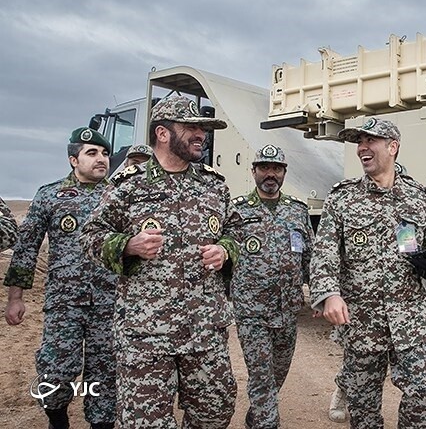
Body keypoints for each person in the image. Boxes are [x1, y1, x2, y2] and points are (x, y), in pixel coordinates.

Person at [80, 95, 241, 428]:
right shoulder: (129, 187)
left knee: (216, 411)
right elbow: (90, 236)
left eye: (203, 129)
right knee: (144, 422)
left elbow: (236, 232)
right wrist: (128, 245)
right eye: (192, 128)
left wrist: (225, 250)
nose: (201, 135)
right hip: (145, 334)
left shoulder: (215, 187)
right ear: (163, 133)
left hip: (204, 329)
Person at [310, 117, 426, 428]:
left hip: (409, 321)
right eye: (360, 142)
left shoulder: (419, 197)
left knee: (424, 393)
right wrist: (328, 294)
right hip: (361, 321)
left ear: (393, 147)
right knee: (363, 409)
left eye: (370, 140)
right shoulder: (342, 197)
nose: (362, 148)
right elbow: (325, 251)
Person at [3, 127, 116, 429]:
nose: (101, 159)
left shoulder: (118, 195)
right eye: (92, 153)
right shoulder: (50, 195)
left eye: (104, 153)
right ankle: (58, 420)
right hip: (63, 305)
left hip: (110, 304)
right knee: (56, 373)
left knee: (105, 375)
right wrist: (15, 298)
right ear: (73, 159)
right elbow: (27, 248)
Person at [230, 144, 314, 429]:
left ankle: (259, 413)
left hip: (287, 309)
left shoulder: (298, 211)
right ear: (253, 171)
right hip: (251, 310)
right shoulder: (237, 210)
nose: (270, 174)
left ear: (284, 173)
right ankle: (266, 421)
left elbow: (310, 257)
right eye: (264, 167)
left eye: (276, 168)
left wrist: (319, 295)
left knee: (278, 372)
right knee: (261, 375)